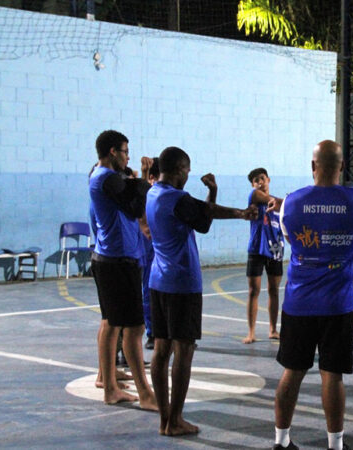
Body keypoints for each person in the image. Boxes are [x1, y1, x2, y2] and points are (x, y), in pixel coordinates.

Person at [147, 146, 253, 436]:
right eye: (187, 171)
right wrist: (221, 197)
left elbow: (201, 211)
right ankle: (176, 419)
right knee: (184, 350)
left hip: (157, 280)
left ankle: (164, 418)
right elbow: (205, 220)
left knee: (160, 350)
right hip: (181, 282)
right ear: (181, 169)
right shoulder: (177, 198)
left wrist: (236, 210)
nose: (188, 176)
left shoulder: (153, 193)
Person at [271, 140, 353, 450]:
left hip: (299, 302)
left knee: (292, 371)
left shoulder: (291, 203)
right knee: (333, 375)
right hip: (338, 304)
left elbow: (288, 239)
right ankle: (335, 445)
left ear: (313, 166)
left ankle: (281, 441)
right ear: (341, 167)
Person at [88, 130, 157, 410]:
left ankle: (107, 381)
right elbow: (135, 200)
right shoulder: (105, 178)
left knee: (111, 322)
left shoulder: (102, 176)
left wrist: (138, 179)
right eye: (125, 151)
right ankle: (145, 393)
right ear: (113, 152)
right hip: (117, 259)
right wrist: (143, 178)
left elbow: (134, 194)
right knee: (134, 327)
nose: (128, 156)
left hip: (114, 257)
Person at [243, 168, 284, 343]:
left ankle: (273, 329)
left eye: (262, 178)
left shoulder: (278, 205)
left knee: (274, 290)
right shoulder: (255, 196)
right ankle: (251, 332)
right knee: (254, 291)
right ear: (253, 185)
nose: (259, 182)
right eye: (255, 180)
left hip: (275, 250)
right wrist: (292, 202)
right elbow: (276, 201)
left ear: (268, 179)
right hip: (256, 249)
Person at [139, 157, 160, 350]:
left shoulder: (171, 196)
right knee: (149, 293)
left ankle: (174, 333)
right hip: (149, 252)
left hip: (166, 254)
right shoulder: (149, 195)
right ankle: (152, 332)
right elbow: (142, 192)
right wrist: (145, 173)